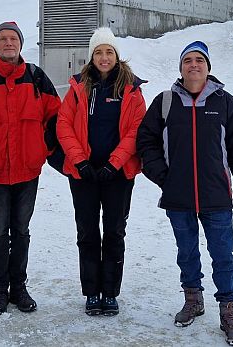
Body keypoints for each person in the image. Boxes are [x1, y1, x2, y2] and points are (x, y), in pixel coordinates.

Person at [136, 40, 233, 346]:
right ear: (180, 68)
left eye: (199, 60)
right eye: (187, 60)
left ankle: (228, 310)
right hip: (178, 196)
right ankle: (193, 299)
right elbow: (145, 142)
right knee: (186, 252)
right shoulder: (165, 102)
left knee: (222, 256)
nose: (193, 65)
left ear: (208, 67)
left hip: (216, 196)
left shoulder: (224, 102)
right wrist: (163, 176)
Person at [0, 21, 61, 317]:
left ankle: (19, 288)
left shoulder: (36, 76)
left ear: (20, 43)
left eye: (13, 38)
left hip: (28, 170)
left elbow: (55, 116)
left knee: (21, 231)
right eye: (3, 39)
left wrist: (44, 150)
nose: (8, 43)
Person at [55, 27, 146, 316]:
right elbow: (63, 125)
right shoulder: (79, 86)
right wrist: (80, 161)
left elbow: (136, 130)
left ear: (116, 55)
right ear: (91, 56)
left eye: (109, 52)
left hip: (116, 175)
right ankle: (91, 292)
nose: (104, 57)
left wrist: (114, 163)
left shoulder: (131, 88)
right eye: (98, 52)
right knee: (87, 233)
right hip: (84, 174)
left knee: (115, 232)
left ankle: (110, 292)